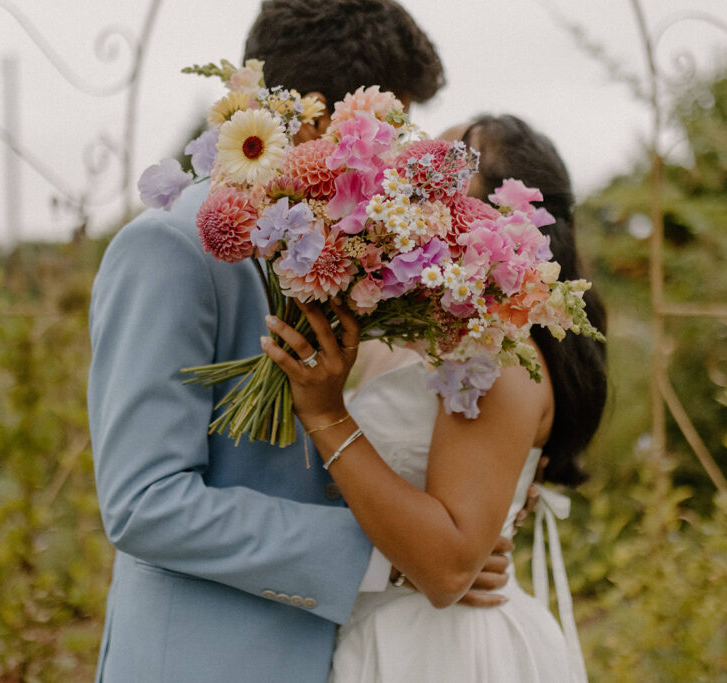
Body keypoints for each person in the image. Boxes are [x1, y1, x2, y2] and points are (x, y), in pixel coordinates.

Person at [87, 3, 515, 681]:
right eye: (394, 130)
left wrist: (432, 533)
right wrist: (384, 554)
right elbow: (145, 503)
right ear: (327, 120)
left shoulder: (337, 248)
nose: (399, 158)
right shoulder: (169, 247)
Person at [260, 113, 608, 681]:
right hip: (377, 630)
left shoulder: (497, 358)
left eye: (440, 169)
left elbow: (447, 570)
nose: (407, 173)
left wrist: (325, 413)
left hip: (442, 651)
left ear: (485, 216)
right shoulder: (408, 336)